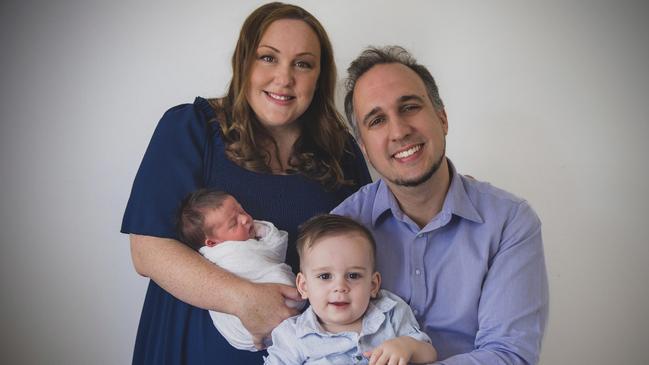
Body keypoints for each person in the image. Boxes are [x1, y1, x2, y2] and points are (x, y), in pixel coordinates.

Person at [121, 2, 371, 363]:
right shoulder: (192, 128)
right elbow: (147, 251)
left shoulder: (341, 151)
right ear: (243, 62)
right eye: (268, 58)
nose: (284, 78)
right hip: (192, 350)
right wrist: (242, 299)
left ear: (319, 76)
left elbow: (370, 245)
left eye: (303, 64)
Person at [332, 46, 549, 364]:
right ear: (364, 148)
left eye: (409, 107)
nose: (399, 130)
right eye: (377, 120)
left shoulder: (510, 223)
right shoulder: (342, 227)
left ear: (442, 118)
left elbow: (509, 356)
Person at [264, 214, 437, 365]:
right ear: (304, 286)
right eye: (325, 276)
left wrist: (406, 346)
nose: (340, 287)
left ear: (373, 285)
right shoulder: (293, 336)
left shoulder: (390, 312)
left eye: (353, 276)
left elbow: (429, 353)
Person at [176, 188, 304, 351]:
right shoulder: (226, 255)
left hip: (238, 337)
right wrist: (263, 230)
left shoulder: (221, 247)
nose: (245, 219)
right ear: (212, 243)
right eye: (233, 223)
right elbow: (275, 250)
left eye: (241, 210)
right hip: (270, 308)